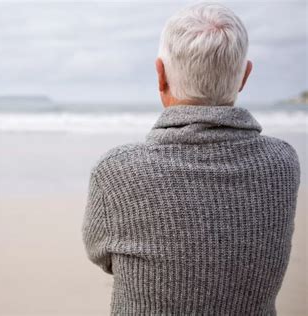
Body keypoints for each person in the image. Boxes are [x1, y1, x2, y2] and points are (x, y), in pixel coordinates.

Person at [81, 2, 301, 315]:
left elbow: (101, 255)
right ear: (244, 76)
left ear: (160, 74)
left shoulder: (117, 171)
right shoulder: (282, 162)